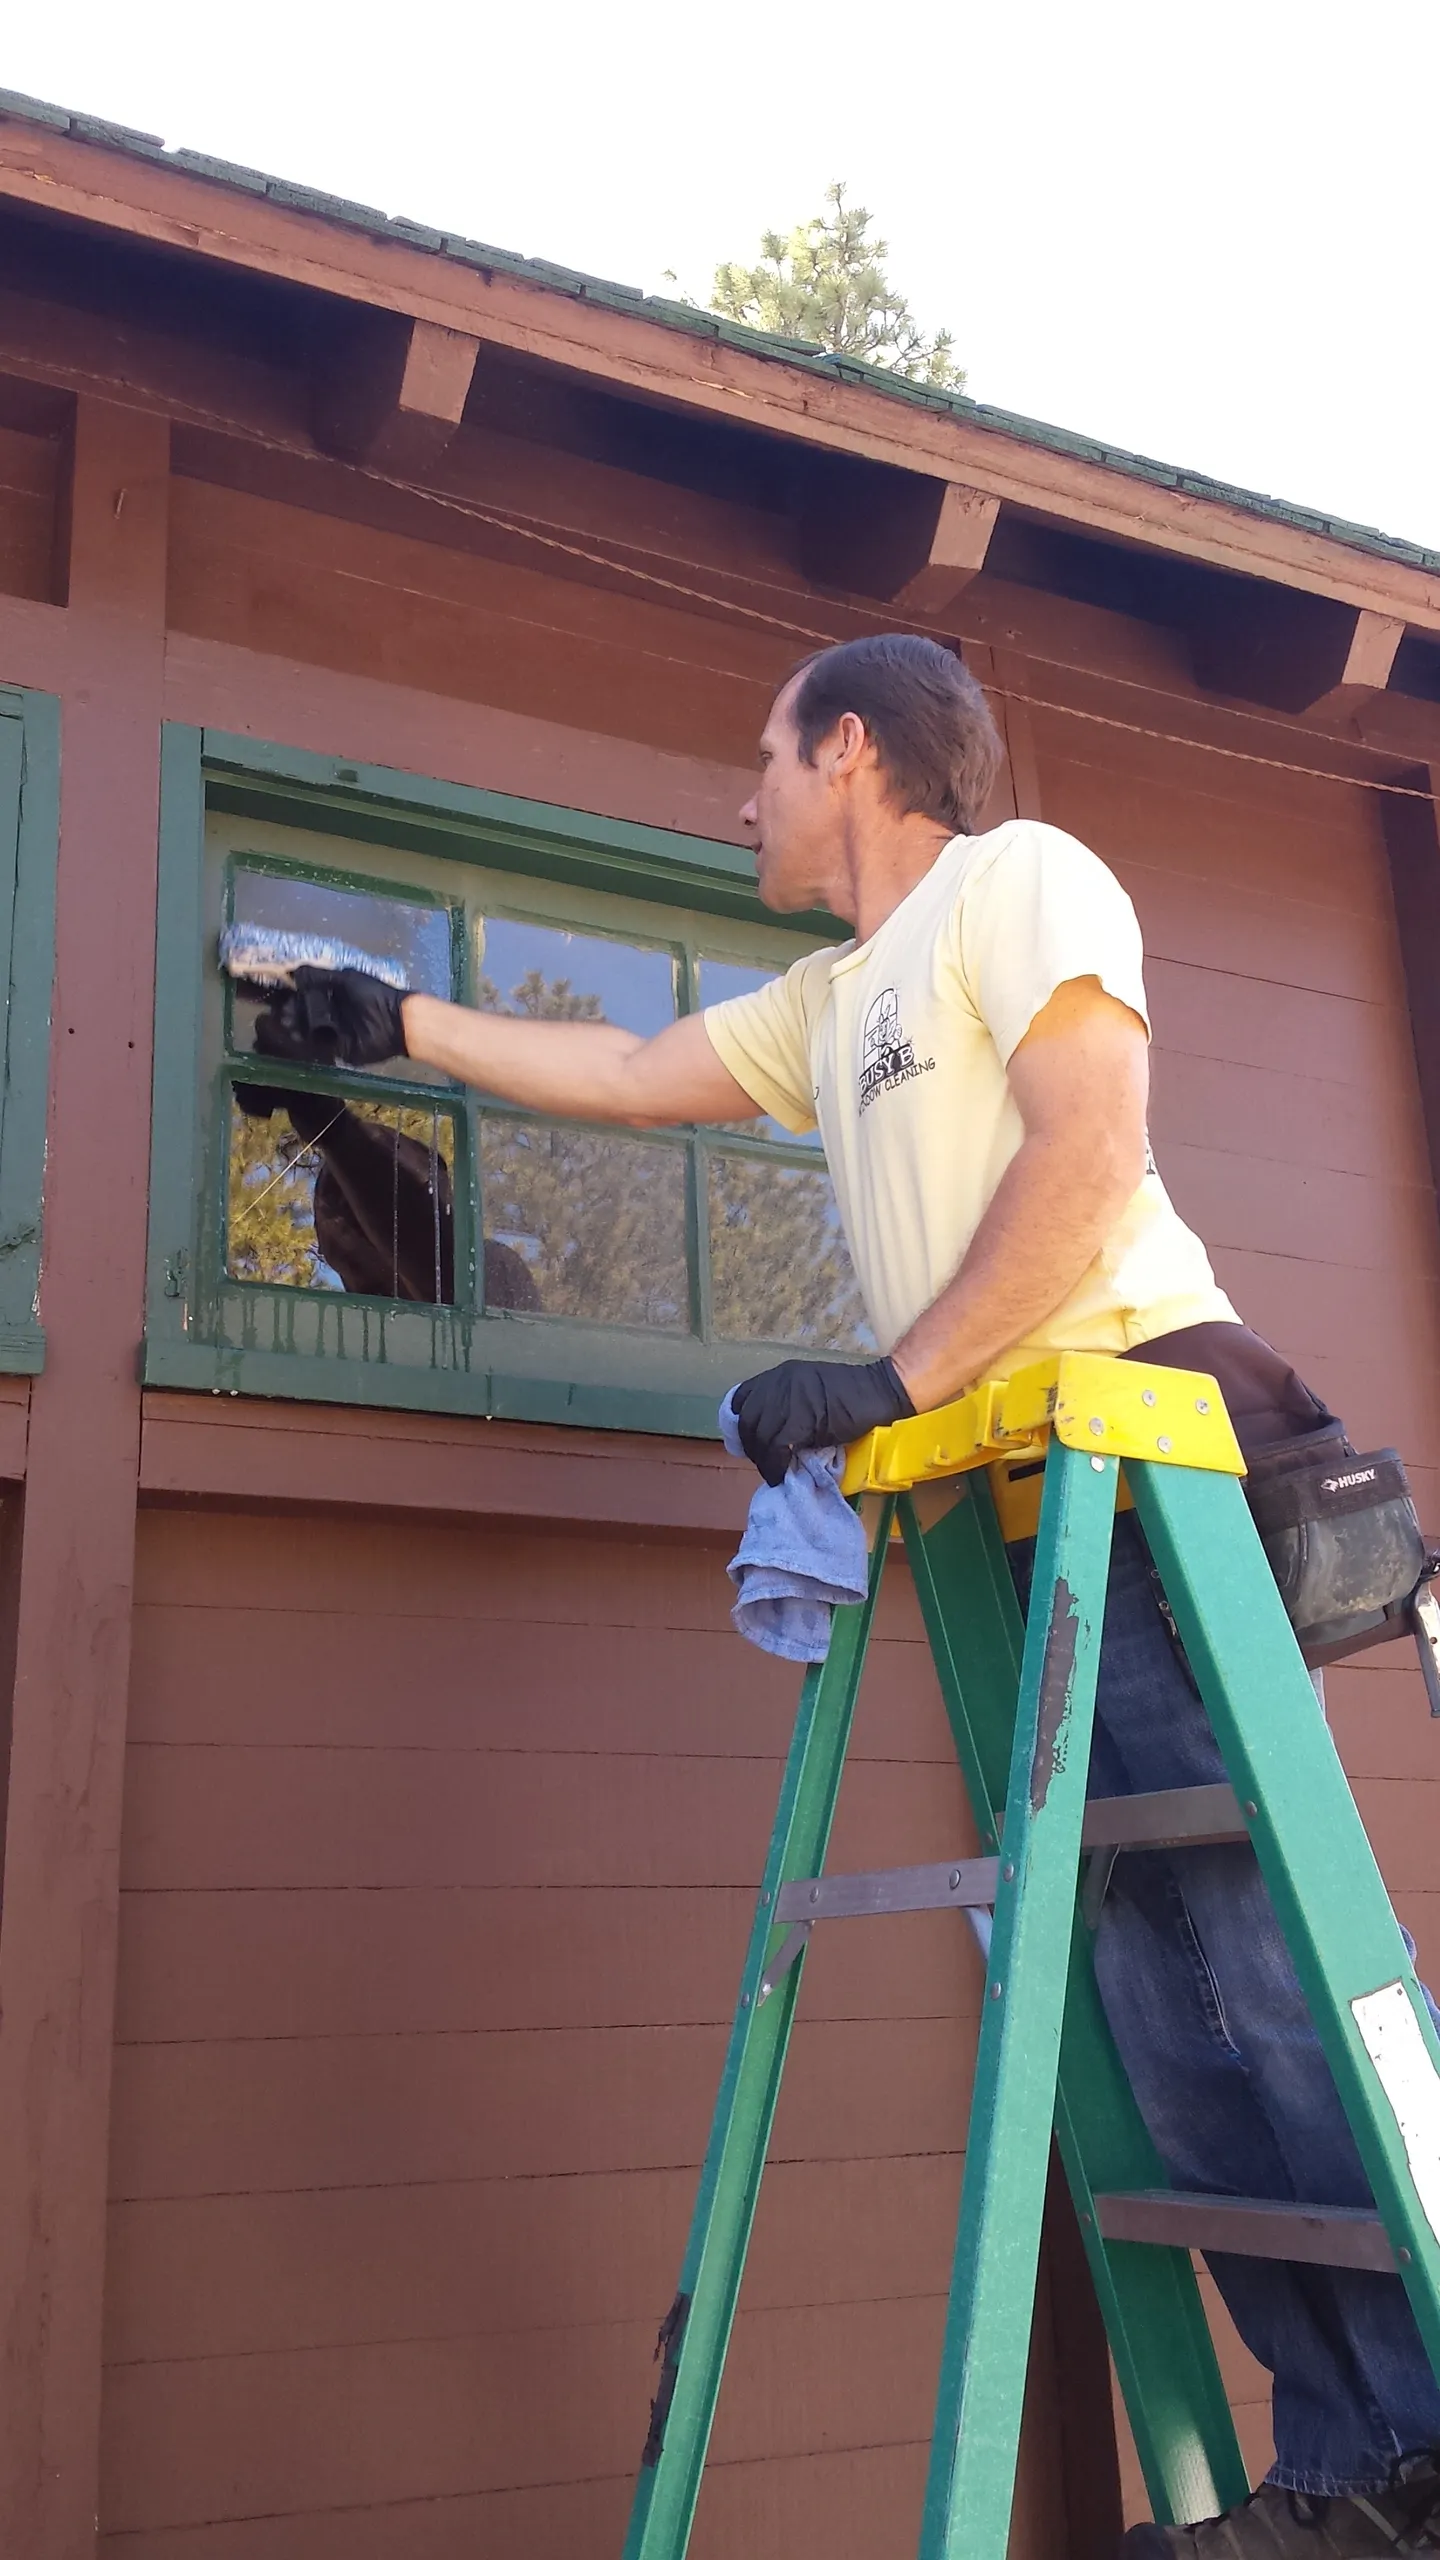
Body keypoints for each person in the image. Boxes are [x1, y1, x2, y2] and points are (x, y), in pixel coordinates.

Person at [251, 633, 1440, 2556]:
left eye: (765, 759)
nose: (745, 800)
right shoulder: (830, 1001)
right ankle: (1344, 2481)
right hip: (1022, 1519)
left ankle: (1416, 2448)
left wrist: (896, 1380)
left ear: (854, 752)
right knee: (1156, 2011)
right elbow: (627, 1070)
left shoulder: (1018, 881)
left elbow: (1091, 1146)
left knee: (1253, 1966)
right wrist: (396, 1026)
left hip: (1144, 1464)